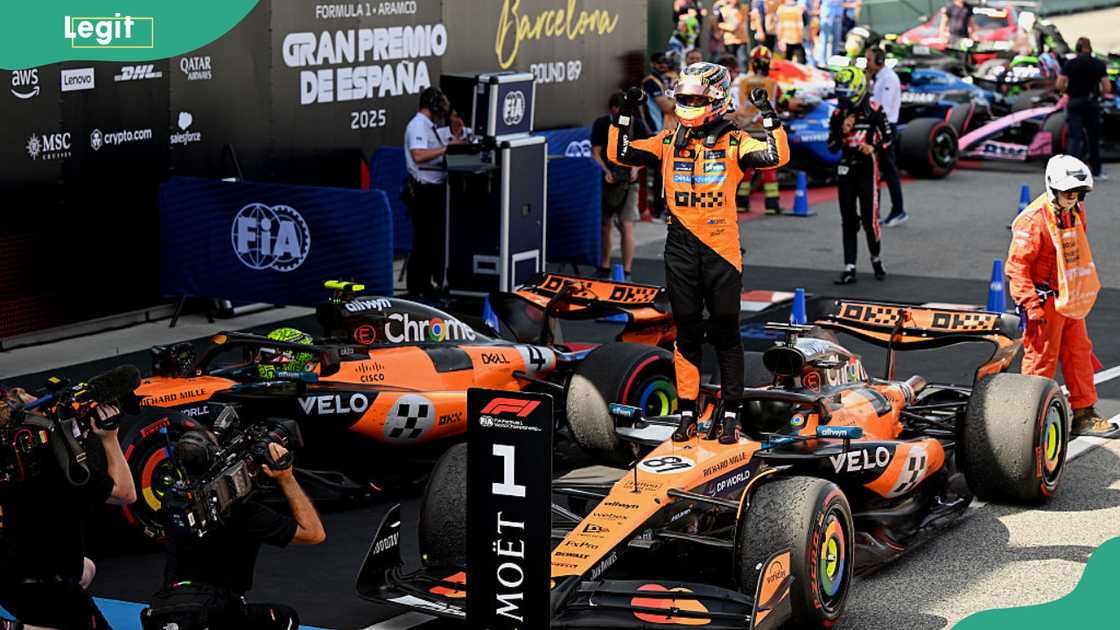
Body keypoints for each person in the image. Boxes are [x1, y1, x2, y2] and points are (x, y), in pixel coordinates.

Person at [608, 62, 790, 444]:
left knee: (726, 332)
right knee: (686, 332)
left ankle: (730, 414)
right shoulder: (668, 139)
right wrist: (625, 112)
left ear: (716, 99)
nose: (688, 104)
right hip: (679, 248)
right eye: (685, 98)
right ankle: (687, 414)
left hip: (721, 248)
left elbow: (777, 157)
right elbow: (621, 153)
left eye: (696, 98)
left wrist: (770, 115)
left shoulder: (735, 140)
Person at [140, 431, 326, 630]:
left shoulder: (170, 501)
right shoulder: (243, 512)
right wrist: (286, 478)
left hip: (171, 609)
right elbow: (314, 533)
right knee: (286, 618)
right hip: (220, 613)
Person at [0, 387, 136, 630]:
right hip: (49, 590)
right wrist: (110, 438)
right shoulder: (61, 469)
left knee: (87, 568)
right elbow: (126, 493)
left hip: (9, 582)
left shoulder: (9, 459)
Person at [1007, 155, 1118, 437]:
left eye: (1080, 193)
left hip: (1068, 300)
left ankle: (1084, 413)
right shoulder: (1032, 221)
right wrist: (1031, 306)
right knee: (1040, 362)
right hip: (1042, 304)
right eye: (1070, 192)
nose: (1075, 198)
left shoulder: (1075, 211)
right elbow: (1016, 268)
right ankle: (1027, 424)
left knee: (1079, 353)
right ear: (1053, 187)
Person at [828, 66, 891, 285]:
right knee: (848, 218)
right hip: (846, 168)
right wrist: (841, 132)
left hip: (868, 168)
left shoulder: (875, 110)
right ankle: (849, 266)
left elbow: (889, 140)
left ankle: (876, 257)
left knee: (869, 219)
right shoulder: (838, 114)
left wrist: (872, 146)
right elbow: (832, 147)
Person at [404, 87, 462, 299]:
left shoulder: (430, 127)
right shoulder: (418, 125)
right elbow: (418, 155)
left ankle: (428, 282)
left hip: (436, 189)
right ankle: (417, 286)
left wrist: (455, 139)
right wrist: (445, 150)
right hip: (424, 191)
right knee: (424, 240)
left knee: (433, 239)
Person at [591, 92, 642, 280]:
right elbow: (595, 152)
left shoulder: (637, 124)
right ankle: (604, 266)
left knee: (626, 224)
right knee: (605, 225)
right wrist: (605, 171)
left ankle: (627, 271)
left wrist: (635, 168)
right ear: (613, 109)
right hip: (607, 180)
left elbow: (647, 152)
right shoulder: (602, 124)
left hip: (629, 183)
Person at [739, 46, 786, 215]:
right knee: (769, 167)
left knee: (746, 168)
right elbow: (782, 102)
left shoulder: (743, 82)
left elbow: (740, 106)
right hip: (766, 131)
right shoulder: (773, 84)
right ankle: (772, 204)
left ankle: (742, 203)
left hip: (747, 130)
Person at [1057, 38, 1111, 179]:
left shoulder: (1070, 64)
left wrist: (1066, 92)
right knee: (1094, 138)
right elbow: (1107, 87)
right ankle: (1096, 171)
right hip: (1092, 103)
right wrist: (1099, 96)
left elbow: (1059, 84)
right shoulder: (1098, 64)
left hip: (1074, 102)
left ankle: (1071, 172)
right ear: (1089, 48)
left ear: (1077, 49)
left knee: (1075, 137)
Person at [866, 45, 906, 226]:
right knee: (876, 170)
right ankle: (876, 211)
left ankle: (898, 210)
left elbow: (884, 107)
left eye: (869, 60)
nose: (866, 64)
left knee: (889, 170)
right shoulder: (876, 78)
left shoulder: (889, 78)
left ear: (879, 61)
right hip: (877, 126)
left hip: (886, 127)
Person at [642, 52, 679, 220]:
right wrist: (679, 101)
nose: (663, 66)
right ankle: (658, 211)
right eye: (659, 63)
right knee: (660, 173)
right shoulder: (650, 81)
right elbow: (667, 106)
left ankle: (663, 208)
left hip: (667, 130)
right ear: (652, 64)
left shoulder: (666, 80)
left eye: (665, 62)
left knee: (667, 172)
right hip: (655, 130)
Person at [816, 0, 845, 65]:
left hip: (838, 16)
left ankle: (834, 61)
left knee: (836, 41)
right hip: (826, 16)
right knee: (823, 40)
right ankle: (822, 61)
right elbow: (817, 2)